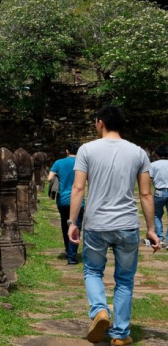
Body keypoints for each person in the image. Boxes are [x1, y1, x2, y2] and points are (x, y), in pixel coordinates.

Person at [68, 105, 160, 345]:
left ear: (100, 122)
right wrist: (151, 229)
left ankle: (99, 311)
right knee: (125, 279)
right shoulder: (139, 153)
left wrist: (72, 222)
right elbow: (146, 194)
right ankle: (120, 335)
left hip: (97, 224)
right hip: (127, 224)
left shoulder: (86, 150)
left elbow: (78, 188)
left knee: (92, 271)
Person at [47, 142, 85, 265]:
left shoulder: (58, 163)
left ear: (67, 151)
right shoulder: (83, 162)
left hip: (63, 200)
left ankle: (68, 249)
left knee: (65, 224)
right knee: (76, 225)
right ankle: (72, 256)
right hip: (79, 201)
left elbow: (49, 178)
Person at [149, 144, 168, 249]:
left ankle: (159, 239)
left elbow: (149, 179)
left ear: (157, 154)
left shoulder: (153, 165)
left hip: (159, 191)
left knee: (156, 215)